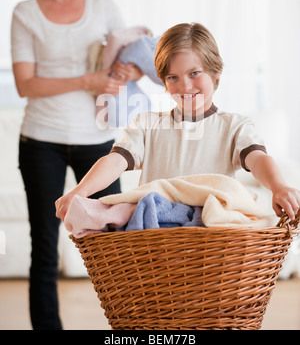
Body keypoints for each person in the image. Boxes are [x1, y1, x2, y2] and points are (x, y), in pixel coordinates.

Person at [10, 0, 141, 330]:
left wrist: (121, 74)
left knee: (115, 241)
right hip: (41, 141)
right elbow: (25, 83)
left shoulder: (101, 2)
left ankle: (131, 327)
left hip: (98, 141)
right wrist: (87, 80)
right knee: (44, 247)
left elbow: (135, 62)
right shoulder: (25, 12)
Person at [56, 22, 300, 225]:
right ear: (163, 82)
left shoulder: (234, 126)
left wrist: (278, 187)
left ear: (215, 72)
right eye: (173, 77)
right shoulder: (147, 124)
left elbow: (257, 159)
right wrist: (79, 192)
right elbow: (115, 161)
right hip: (159, 240)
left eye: (195, 73)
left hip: (211, 239)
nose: (185, 86)